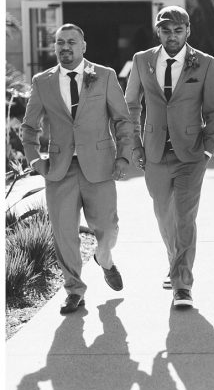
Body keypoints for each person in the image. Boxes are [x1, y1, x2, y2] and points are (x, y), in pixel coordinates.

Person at [21, 24, 133, 314]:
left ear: (84, 46)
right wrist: (34, 160)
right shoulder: (42, 81)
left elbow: (122, 120)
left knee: (108, 228)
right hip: (59, 170)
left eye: (71, 42)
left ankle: (104, 258)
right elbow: (29, 126)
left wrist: (123, 157)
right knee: (64, 233)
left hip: (100, 166)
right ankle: (74, 290)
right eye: (60, 42)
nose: (65, 47)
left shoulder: (105, 75)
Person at [125, 5, 214, 308]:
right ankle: (174, 261)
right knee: (163, 215)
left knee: (184, 217)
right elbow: (131, 106)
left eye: (178, 30)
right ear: (158, 31)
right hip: (154, 152)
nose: (172, 36)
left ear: (188, 31)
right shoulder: (141, 60)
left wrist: (207, 148)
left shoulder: (204, 63)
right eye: (166, 30)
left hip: (191, 154)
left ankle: (182, 285)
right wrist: (135, 145)